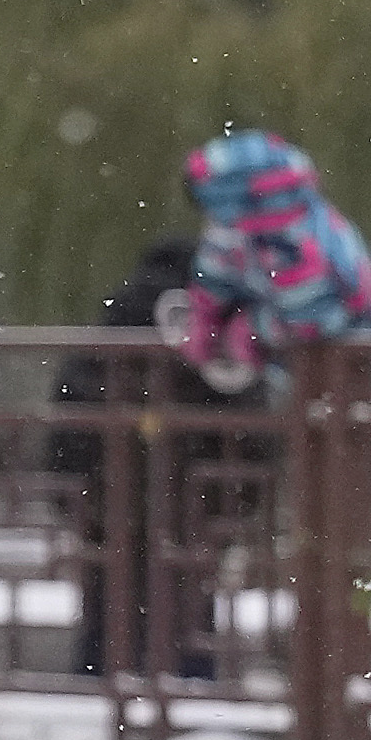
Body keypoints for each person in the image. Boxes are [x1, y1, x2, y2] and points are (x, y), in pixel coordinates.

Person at [58, 234, 256, 689]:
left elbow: (69, 415)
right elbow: (247, 418)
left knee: (109, 601)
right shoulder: (209, 322)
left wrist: (79, 499)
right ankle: (189, 689)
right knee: (188, 604)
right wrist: (234, 508)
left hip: (111, 504)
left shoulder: (115, 319)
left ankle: (103, 688)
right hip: (193, 504)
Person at [170, 128, 371, 380]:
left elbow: (315, 315)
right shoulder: (235, 228)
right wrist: (204, 313)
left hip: (348, 357)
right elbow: (216, 269)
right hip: (284, 366)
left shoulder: (305, 243)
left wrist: (253, 328)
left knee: (331, 401)